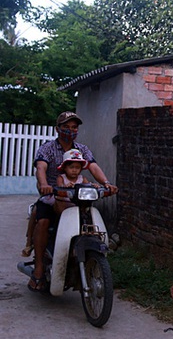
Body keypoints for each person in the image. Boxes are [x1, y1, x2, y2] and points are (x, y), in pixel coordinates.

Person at [27, 111, 117, 292]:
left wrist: (106, 184)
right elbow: (41, 167)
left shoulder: (82, 150)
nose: (70, 130)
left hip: (77, 197)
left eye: (74, 127)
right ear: (57, 129)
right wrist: (44, 184)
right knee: (43, 221)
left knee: (88, 218)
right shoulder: (47, 148)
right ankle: (38, 268)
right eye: (66, 127)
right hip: (53, 196)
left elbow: (92, 166)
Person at [21, 148, 92, 258]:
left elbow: (89, 185)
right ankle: (30, 242)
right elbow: (59, 187)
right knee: (38, 213)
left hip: (75, 204)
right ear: (65, 168)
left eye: (77, 168)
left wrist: (96, 186)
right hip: (60, 202)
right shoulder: (61, 177)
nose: (74, 170)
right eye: (71, 167)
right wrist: (63, 187)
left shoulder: (82, 178)